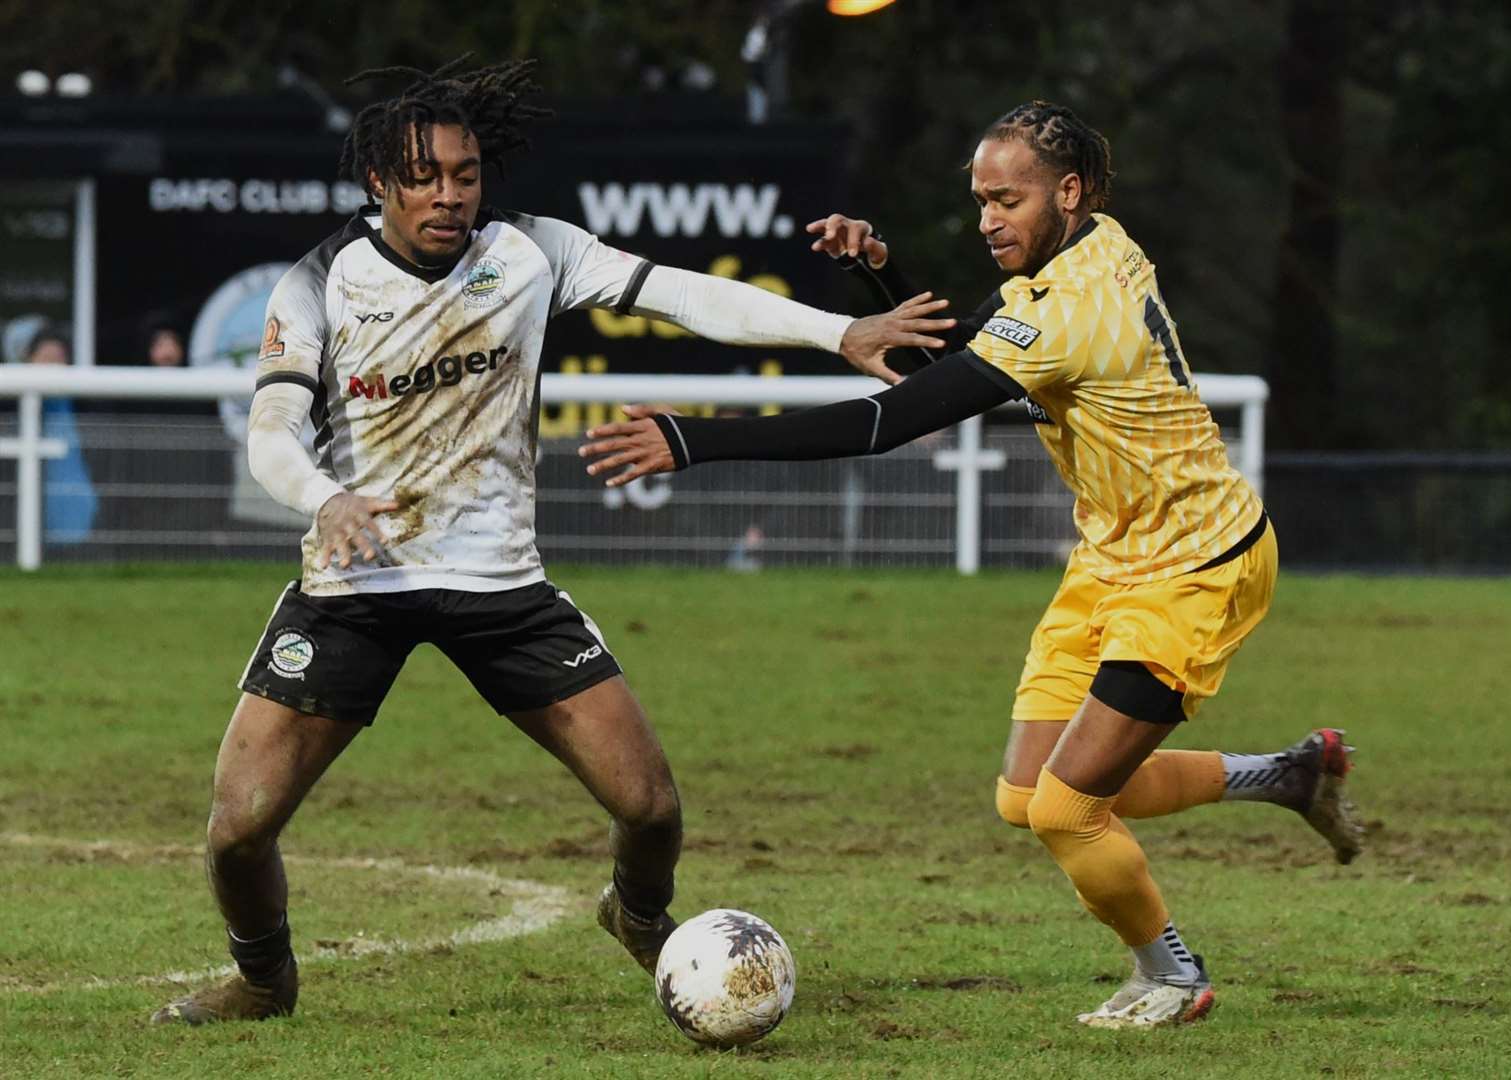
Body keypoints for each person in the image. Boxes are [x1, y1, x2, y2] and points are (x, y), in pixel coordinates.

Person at [150, 55, 952, 1027]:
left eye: (466, 174)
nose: (450, 195)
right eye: (426, 177)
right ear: (378, 183)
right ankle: (264, 980)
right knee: (238, 831)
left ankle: (637, 913)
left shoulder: (532, 251)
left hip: (501, 591)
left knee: (650, 808)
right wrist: (325, 500)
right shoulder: (320, 283)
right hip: (354, 585)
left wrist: (841, 333)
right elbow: (271, 429)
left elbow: (686, 296)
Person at [581, 100, 1366, 1029]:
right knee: (1025, 794)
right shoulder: (1089, 246)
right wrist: (883, 278)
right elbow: (957, 364)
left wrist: (694, 439)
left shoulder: (1074, 309)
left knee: (1068, 809)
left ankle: (1172, 974)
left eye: (1007, 200)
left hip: (1196, 564)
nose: (989, 220)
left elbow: (890, 421)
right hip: (1113, 557)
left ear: (1066, 193)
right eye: (980, 200)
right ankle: (1282, 776)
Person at [25, 326, 98, 543]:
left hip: (77, 499)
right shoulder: (11, 405)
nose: (50, 365)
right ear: (30, 360)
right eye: (44, 357)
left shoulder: (85, 404)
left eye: (56, 358)